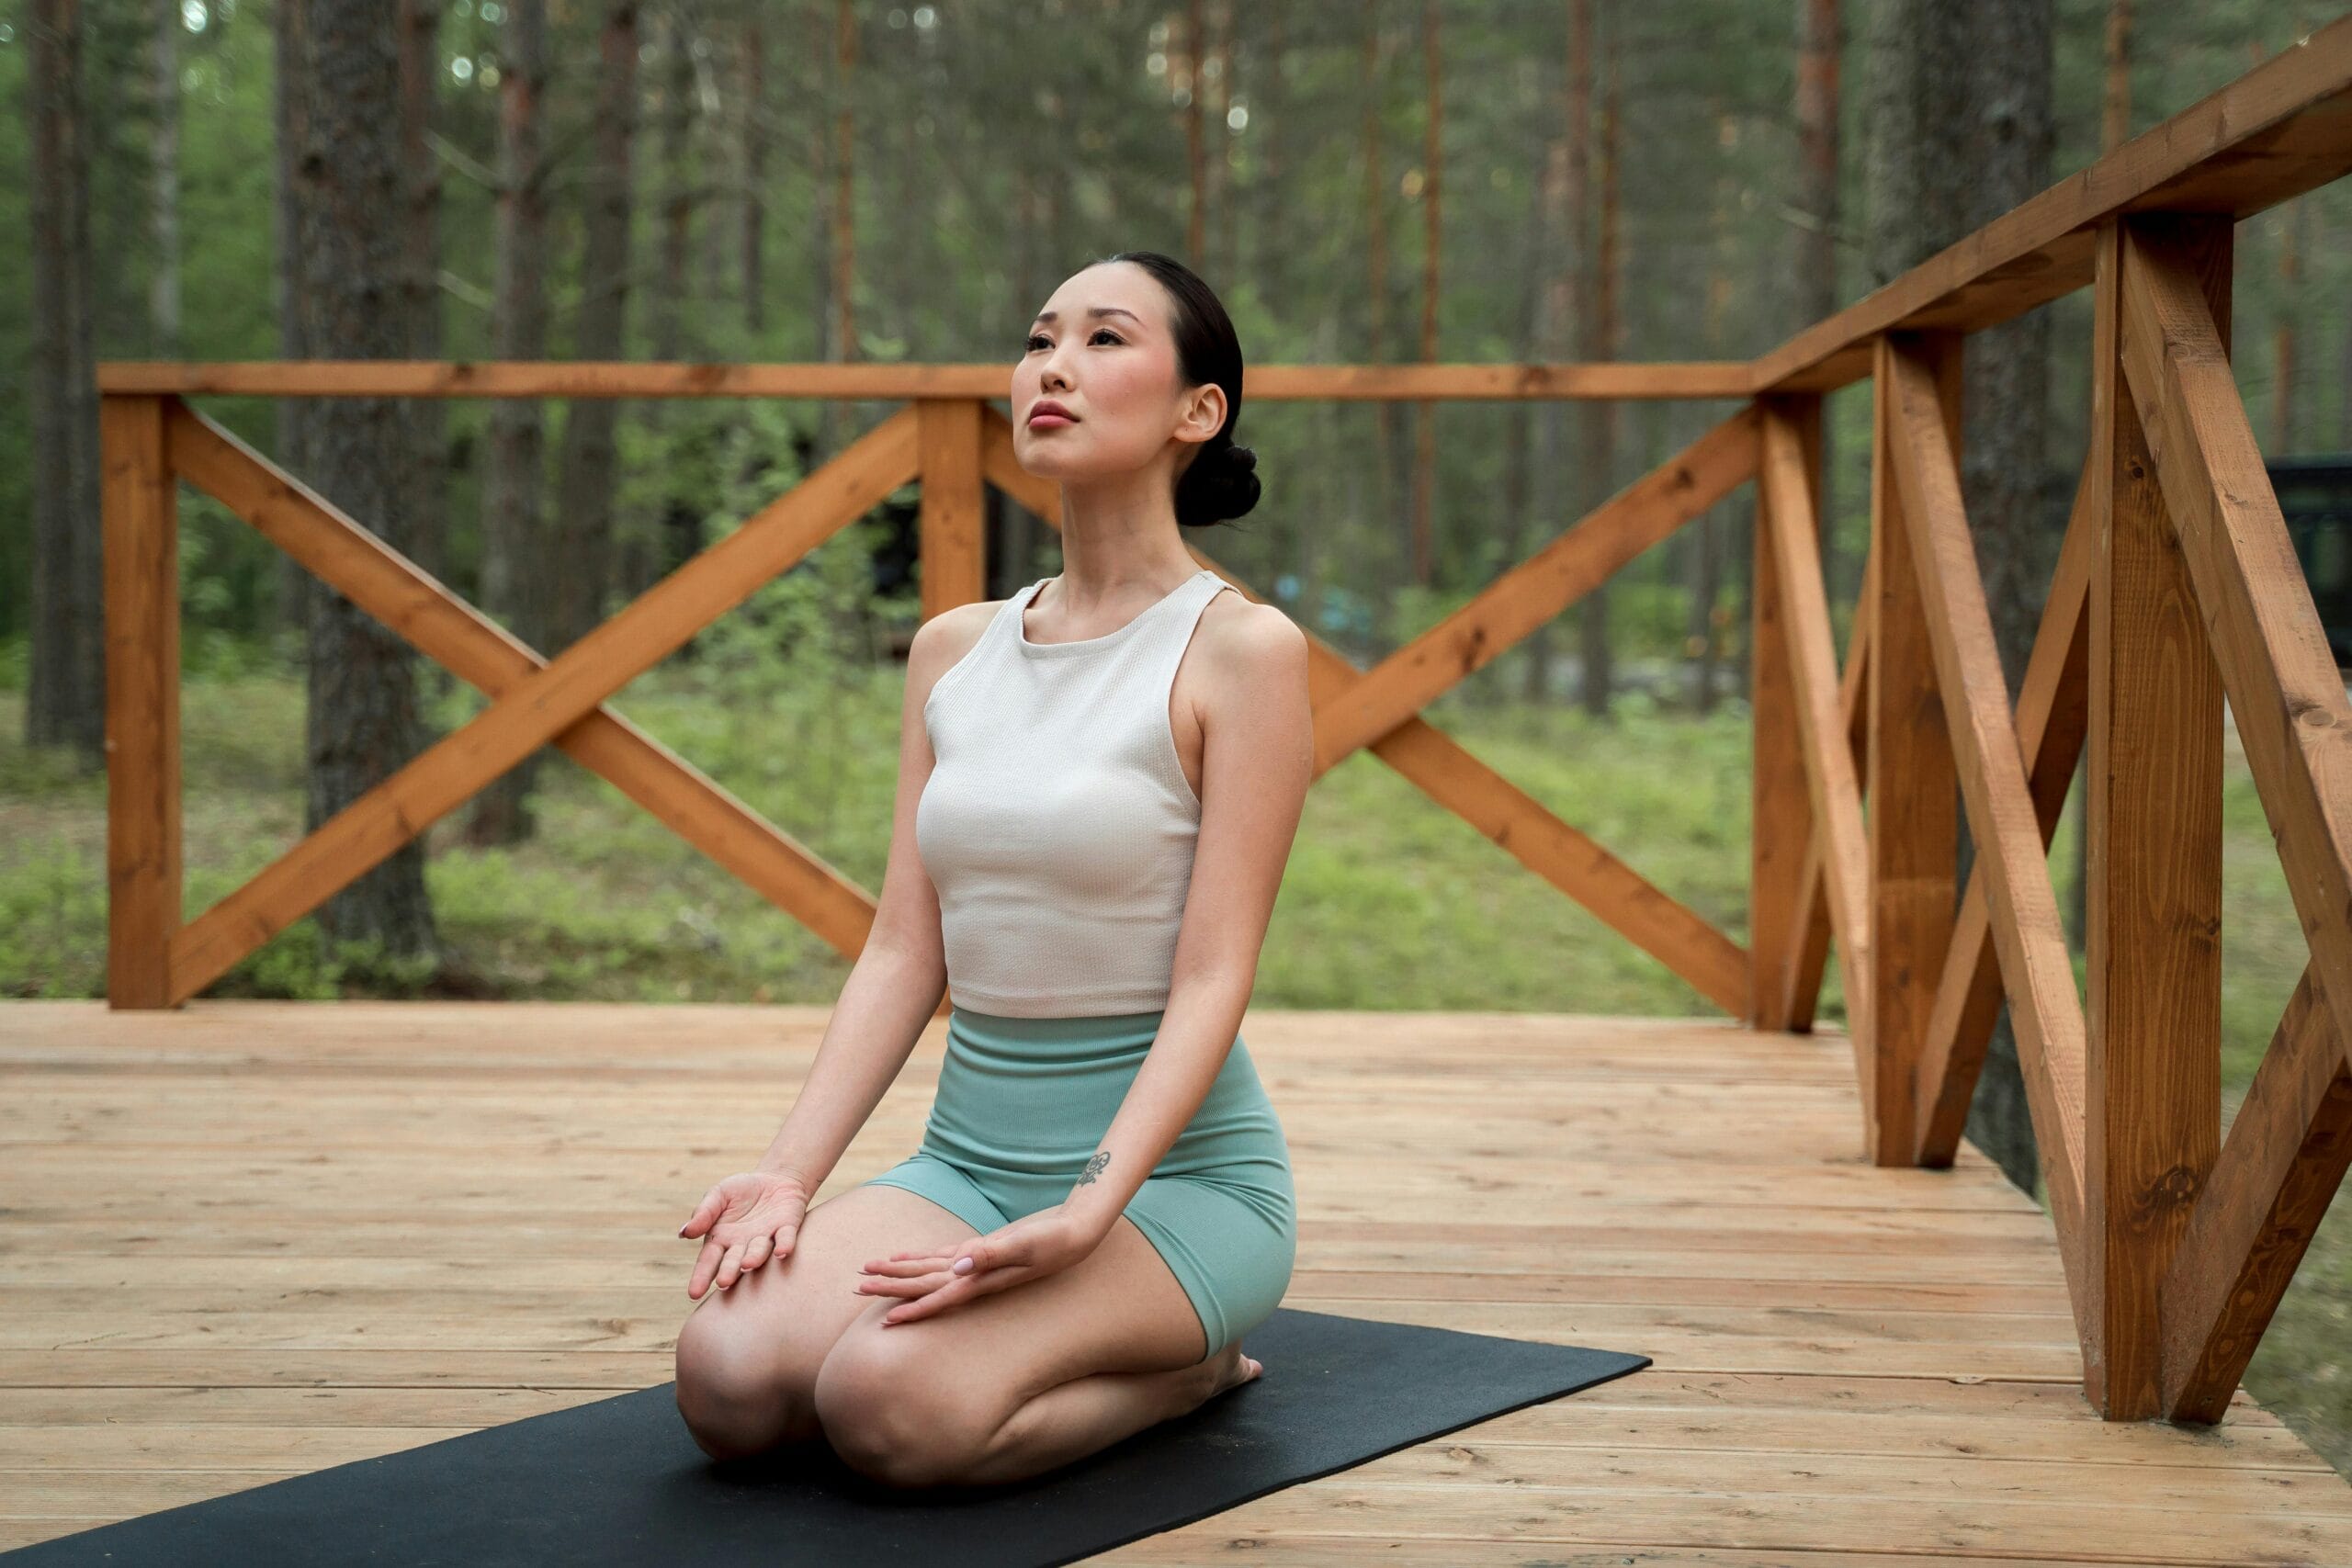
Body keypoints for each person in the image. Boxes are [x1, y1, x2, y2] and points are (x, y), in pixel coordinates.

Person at [670, 251, 1314, 1491]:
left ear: (1199, 411)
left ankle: (1188, 1369)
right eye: (1038, 340)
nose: (1053, 367)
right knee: (729, 1379)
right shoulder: (954, 650)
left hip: (1171, 1188)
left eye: (1105, 339)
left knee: (887, 1405)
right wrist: (786, 1174)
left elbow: (1213, 977)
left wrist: (1086, 1211)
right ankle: (1048, 1333)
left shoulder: (1242, 653)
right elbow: (906, 951)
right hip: (965, 1166)